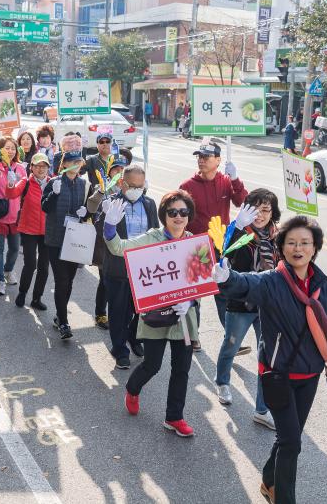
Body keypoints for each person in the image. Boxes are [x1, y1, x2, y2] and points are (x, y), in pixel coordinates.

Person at [212, 215, 327, 504]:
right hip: (278, 375)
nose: (298, 248)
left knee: (290, 436)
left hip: (309, 375)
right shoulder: (272, 282)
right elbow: (245, 284)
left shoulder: (323, 285)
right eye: (291, 243)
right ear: (281, 248)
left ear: (315, 248)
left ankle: (268, 481)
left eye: (305, 243)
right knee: (292, 443)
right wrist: (226, 278)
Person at [103, 190, 201, 437]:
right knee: (152, 364)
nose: (178, 217)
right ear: (164, 215)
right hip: (156, 315)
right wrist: (110, 226)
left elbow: (202, 281)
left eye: (183, 212)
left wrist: (190, 301)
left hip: (184, 319)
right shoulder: (151, 238)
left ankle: (174, 417)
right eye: (172, 212)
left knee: (182, 369)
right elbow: (118, 248)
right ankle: (133, 389)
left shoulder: (194, 243)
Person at [214, 189, 280, 431]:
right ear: (245, 209)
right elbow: (225, 253)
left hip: (267, 304)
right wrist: (238, 228)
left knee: (267, 355)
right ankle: (222, 382)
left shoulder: (279, 236)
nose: (260, 215)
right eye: (255, 209)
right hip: (241, 302)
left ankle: (262, 409)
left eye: (266, 209)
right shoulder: (240, 232)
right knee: (231, 345)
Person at [180, 138, 247, 350]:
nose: (201, 160)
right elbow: (180, 216)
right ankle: (193, 336)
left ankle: (231, 341)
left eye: (207, 157)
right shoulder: (187, 186)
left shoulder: (226, 182)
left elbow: (242, 202)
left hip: (222, 247)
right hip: (197, 247)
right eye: (199, 157)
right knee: (195, 296)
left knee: (224, 294)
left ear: (218, 160)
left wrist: (235, 178)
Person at [89, 163, 158, 369]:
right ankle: (119, 349)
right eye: (132, 185)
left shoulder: (150, 204)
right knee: (118, 311)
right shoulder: (110, 202)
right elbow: (99, 229)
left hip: (143, 268)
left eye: (140, 186)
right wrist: (107, 220)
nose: (136, 190)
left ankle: (134, 338)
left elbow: (155, 230)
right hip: (118, 268)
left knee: (140, 309)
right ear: (122, 183)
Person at [40, 149, 88, 340]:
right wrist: (53, 194)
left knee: (69, 280)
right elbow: (44, 207)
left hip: (75, 239)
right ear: (65, 164)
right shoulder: (54, 182)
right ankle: (64, 321)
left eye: (79, 161)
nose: (76, 164)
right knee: (62, 280)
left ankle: (60, 316)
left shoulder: (84, 184)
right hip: (56, 239)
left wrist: (87, 212)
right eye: (72, 161)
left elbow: (89, 211)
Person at [0, 138, 26, 295]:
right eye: (7, 148)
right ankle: (0, 280)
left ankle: (8, 271)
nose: (10, 151)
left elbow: (23, 187)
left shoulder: (20, 168)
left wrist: (15, 183)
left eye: (13, 148)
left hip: (15, 217)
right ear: (0, 149)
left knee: (14, 249)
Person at [83, 132, 116, 329]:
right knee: (104, 276)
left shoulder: (125, 187)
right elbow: (91, 205)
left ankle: (119, 313)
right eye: (101, 142)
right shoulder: (92, 161)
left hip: (121, 240)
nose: (104, 144)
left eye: (107, 142)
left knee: (119, 281)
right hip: (101, 228)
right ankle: (100, 313)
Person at [10, 153, 50, 311]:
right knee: (30, 264)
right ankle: (22, 292)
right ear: (31, 167)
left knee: (44, 267)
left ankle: (36, 298)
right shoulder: (25, 182)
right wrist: (10, 184)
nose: (41, 169)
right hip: (29, 229)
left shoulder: (53, 183)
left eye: (44, 166)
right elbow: (11, 194)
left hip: (47, 231)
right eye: (37, 165)